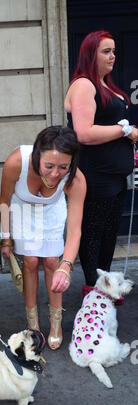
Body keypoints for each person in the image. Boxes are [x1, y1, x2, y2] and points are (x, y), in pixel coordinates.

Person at [64, 31, 138, 299]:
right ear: (90, 54)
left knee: (108, 235)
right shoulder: (85, 85)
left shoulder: (105, 84)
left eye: (114, 51)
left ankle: (103, 285)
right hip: (96, 176)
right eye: (106, 51)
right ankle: (93, 289)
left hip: (114, 177)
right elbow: (83, 133)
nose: (113, 56)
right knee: (94, 234)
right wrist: (124, 131)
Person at [0, 126, 86, 350]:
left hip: (51, 210)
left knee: (51, 262)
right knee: (30, 261)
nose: (55, 174)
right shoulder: (16, 162)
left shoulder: (76, 180)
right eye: (48, 166)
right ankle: (32, 323)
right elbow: (3, 201)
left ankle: (56, 323)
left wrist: (66, 266)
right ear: (37, 156)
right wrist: (5, 236)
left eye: (63, 167)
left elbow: (75, 230)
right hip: (22, 209)